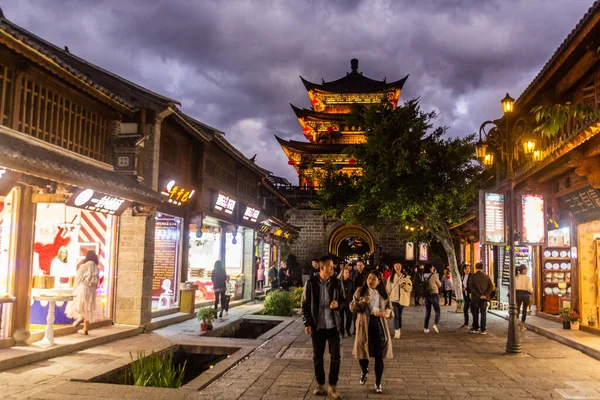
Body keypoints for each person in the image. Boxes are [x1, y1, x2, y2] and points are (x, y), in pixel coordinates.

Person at [302, 255, 344, 399]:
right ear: (321, 267)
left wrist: (338, 305)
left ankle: (332, 385)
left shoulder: (337, 283)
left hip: (333, 325)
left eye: (333, 266)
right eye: (329, 266)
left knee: (336, 357)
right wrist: (307, 322)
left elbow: (344, 301)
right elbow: (305, 304)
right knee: (317, 357)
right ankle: (320, 384)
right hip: (317, 325)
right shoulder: (311, 283)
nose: (332, 268)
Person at [351, 270, 393, 394]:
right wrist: (362, 302)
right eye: (369, 278)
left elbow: (390, 309)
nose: (370, 281)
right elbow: (352, 307)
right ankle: (364, 371)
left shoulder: (383, 294)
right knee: (363, 354)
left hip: (379, 326)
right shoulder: (360, 291)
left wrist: (386, 313)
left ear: (379, 281)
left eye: (374, 279)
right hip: (364, 326)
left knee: (379, 356)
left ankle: (378, 383)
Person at [67, 250, 99, 335]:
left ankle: (79, 317)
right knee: (87, 310)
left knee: (74, 305)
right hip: (91, 290)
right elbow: (97, 281)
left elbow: (77, 279)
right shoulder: (96, 267)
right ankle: (85, 329)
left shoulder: (84, 266)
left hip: (82, 288)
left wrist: (73, 290)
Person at [386, 263, 412, 339]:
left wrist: (404, 285)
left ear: (401, 267)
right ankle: (396, 331)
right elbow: (388, 289)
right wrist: (387, 299)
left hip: (402, 298)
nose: (397, 267)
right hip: (393, 299)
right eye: (396, 266)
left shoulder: (405, 277)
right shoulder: (391, 277)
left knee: (399, 315)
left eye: (399, 266)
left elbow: (410, 288)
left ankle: (399, 328)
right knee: (396, 315)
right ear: (393, 268)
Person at [468, 262, 493, 335]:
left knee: (475, 313)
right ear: (482, 268)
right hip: (484, 298)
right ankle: (483, 329)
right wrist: (486, 295)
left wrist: (478, 295)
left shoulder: (473, 276)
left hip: (475, 298)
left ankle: (475, 327)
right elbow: (490, 287)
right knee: (483, 313)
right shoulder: (486, 276)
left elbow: (471, 287)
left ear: (476, 268)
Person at [423, 265, 442, 333]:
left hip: (426, 295)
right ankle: (435, 324)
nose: (433, 268)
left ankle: (425, 328)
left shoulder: (424, 275)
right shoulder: (434, 275)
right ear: (430, 268)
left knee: (428, 311)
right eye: (432, 267)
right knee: (437, 311)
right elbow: (439, 284)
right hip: (434, 294)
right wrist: (436, 274)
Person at [515, 265, 533, 331]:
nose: (526, 271)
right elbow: (530, 289)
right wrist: (531, 291)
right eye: (526, 270)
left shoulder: (516, 277)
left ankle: (515, 324)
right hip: (525, 294)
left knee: (517, 309)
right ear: (523, 270)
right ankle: (522, 326)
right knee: (524, 310)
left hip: (517, 294)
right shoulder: (527, 278)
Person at [339, 268, 355, 337]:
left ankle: (347, 329)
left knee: (349, 318)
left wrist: (353, 301)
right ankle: (342, 332)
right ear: (342, 273)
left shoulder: (351, 282)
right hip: (341, 303)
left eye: (348, 272)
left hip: (349, 302)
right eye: (346, 272)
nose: (348, 274)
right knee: (341, 319)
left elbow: (353, 292)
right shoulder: (339, 282)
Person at [460, 263, 472, 328]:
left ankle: (475, 324)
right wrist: (462, 288)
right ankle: (466, 323)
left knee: (472, 310)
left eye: (468, 268)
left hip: (471, 295)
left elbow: (472, 286)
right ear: (463, 270)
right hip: (465, 295)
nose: (467, 270)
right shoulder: (463, 276)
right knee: (465, 309)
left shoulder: (471, 276)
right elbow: (463, 284)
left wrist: (466, 288)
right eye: (466, 269)